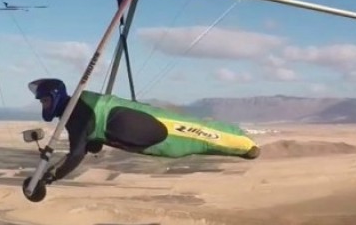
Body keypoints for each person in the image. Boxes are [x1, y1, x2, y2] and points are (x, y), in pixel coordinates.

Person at [28, 78, 260, 184]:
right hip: (146, 129)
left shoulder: (79, 114)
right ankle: (245, 147)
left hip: (159, 137)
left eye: (45, 101)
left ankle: (246, 145)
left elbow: (76, 154)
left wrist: (49, 177)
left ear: (56, 98)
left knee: (199, 136)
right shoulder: (81, 105)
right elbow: (90, 138)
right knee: (200, 139)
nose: (44, 106)